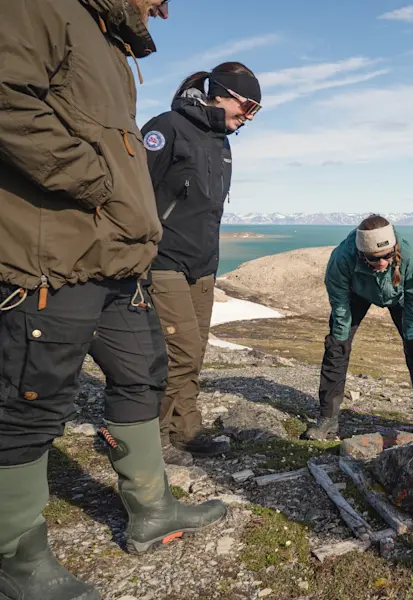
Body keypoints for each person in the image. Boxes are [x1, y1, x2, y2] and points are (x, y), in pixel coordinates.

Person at [0, 1, 227, 599]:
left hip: (118, 261)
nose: (163, 9)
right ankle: (16, 559)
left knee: (143, 375)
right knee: (31, 403)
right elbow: (8, 100)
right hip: (54, 257)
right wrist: (95, 179)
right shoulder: (39, 7)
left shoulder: (112, 44)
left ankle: (151, 510)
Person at [142, 62, 263, 465]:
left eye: (255, 111)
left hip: (202, 266)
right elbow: (135, 191)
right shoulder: (168, 127)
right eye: (247, 106)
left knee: (194, 354)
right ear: (222, 93)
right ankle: (152, 440)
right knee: (177, 352)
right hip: (163, 260)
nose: (248, 116)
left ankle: (186, 429)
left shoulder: (221, 142)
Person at [304, 215, 413, 440]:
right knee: (336, 347)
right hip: (357, 294)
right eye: (374, 259)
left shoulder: (409, 257)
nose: (382, 263)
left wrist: (411, 332)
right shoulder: (342, 258)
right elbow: (339, 300)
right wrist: (341, 333)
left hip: (401, 297)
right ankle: (328, 419)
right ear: (361, 253)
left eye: (387, 256)